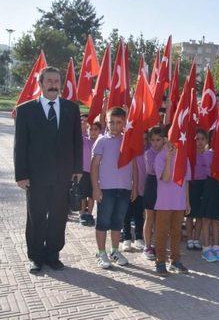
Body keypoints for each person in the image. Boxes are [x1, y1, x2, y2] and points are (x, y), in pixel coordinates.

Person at [14, 66, 83, 273]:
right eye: (49, 81)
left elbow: (76, 141)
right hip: (35, 177)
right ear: (41, 83)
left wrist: (78, 168)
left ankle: (53, 255)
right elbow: (21, 145)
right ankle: (35, 257)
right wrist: (21, 174)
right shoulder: (25, 110)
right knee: (36, 216)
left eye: (57, 81)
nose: (54, 85)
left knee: (58, 217)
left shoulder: (71, 108)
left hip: (62, 175)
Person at [91, 107, 137, 269]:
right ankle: (101, 252)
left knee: (117, 222)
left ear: (124, 123)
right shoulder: (102, 140)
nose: (115, 126)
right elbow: (95, 166)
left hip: (124, 189)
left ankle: (115, 250)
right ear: (106, 122)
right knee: (103, 221)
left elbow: (133, 165)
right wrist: (96, 188)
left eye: (119, 122)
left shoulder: (127, 140)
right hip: (106, 189)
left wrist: (135, 186)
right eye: (111, 122)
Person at [153, 142, 190, 275]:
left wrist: (187, 201)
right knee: (162, 233)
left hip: (179, 203)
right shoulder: (159, 158)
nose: (172, 147)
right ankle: (160, 262)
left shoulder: (184, 158)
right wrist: (168, 158)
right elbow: (166, 177)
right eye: (169, 143)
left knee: (176, 233)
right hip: (164, 203)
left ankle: (175, 261)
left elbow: (186, 181)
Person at [201, 130, 219, 263]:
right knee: (207, 219)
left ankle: (216, 247)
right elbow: (211, 170)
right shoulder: (208, 154)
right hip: (210, 186)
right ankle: (206, 248)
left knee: (216, 219)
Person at [121, 132, 147, 251]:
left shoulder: (149, 154)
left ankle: (138, 237)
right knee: (126, 213)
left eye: (145, 139)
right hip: (129, 188)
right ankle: (126, 237)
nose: (143, 142)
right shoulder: (130, 153)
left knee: (139, 214)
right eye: (140, 139)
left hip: (142, 189)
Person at [142, 127, 164, 261]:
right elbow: (154, 169)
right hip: (152, 184)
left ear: (163, 140)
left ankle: (157, 245)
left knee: (159, 219)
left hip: (163, 187)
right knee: (149, 217)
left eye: (159, 140)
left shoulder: (167, 151)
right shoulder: (148, 153)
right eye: (153, 140)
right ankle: (147, 246)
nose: (156, 143)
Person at [186, 129, 210, 252]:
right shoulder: (190, 154)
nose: (200, 142)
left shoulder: (209, 154)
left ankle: (196, 239)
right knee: (190, 214)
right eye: (197, 139)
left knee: (200, 215)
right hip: (192, 184)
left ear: (206, 140)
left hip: (204, 185)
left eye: (202, 139)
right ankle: (189, 239)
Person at [79, 120, 102, 226]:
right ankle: (82, 213)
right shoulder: (84, 140)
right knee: (83, 194)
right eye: (91, 129)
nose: (93, 131)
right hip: (84, 171)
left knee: (92, 194)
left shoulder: (100, 142)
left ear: (99, 131)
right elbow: (78, 134)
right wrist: (83, 127)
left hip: (95, 172)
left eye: (95, 129)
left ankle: (89, 214)